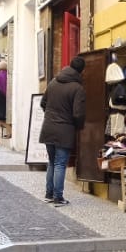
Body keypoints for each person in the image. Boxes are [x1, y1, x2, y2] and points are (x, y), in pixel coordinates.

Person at [38, 56, 86, 206]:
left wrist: (51, 115)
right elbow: (78, 114)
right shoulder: (78, 88)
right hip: (65, 130)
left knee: (52, 162)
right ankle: (58, 197)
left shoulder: (53, 82)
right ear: (81, 71)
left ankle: (49, 194)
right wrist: (77, 126)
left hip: (48, 128)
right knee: (60, 164)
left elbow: (43, 103)